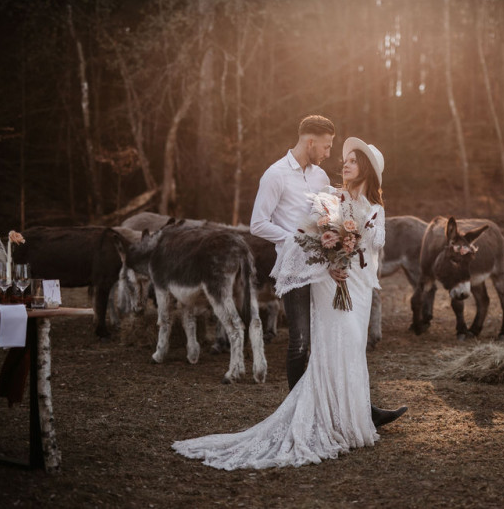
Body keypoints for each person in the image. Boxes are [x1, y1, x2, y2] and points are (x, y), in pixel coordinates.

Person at [171, 120, 405, 470]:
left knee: (338, 339)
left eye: (338, 152)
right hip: (296, 267)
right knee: (301, 341)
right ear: (310, 141)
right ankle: (302, 410)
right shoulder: (275, 175)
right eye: (327, 147)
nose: (332, 154)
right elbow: (258, 224)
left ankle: (358, 409)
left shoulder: (323, 180)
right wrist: (298, 240)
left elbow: (342, 226)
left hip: (328, 271)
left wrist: (334, 252)